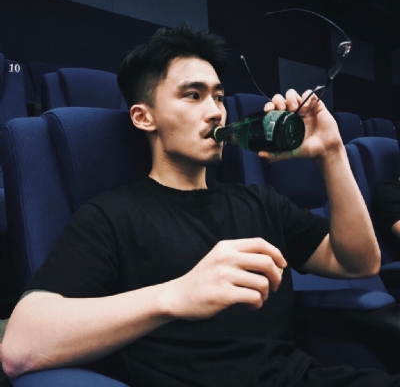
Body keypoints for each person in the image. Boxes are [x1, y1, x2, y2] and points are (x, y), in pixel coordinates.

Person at [1, 23, 396, 387]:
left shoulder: (261, 202)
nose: (215, 111)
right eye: (193, 95)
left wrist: (331, 152)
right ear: (143, 117)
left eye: (219, 97)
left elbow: (358, 263)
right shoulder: (112, 215)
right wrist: (176, 295)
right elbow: (19, 347)